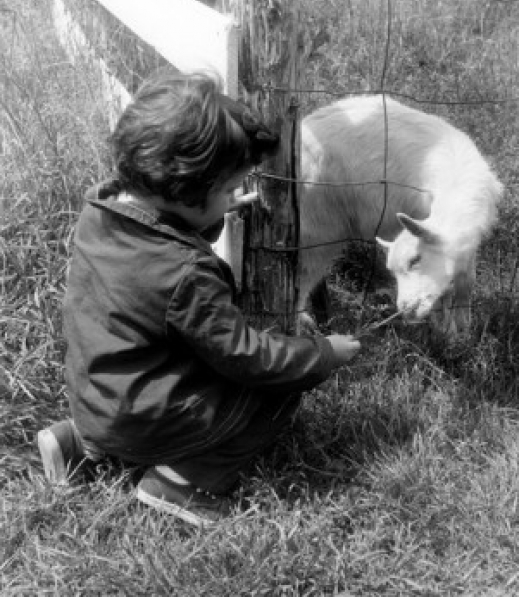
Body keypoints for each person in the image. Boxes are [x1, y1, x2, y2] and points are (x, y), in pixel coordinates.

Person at [37, 68, 361, 528]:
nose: (233, 197)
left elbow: (170, 227)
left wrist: (213, 209)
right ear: (187, 193)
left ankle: (77, 446)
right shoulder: (186, 275)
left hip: (93, 399)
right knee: (276, 393)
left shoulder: (99, 212)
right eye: (228, 190)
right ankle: (182, 483)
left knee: (141, 372)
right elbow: (247, 358)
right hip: (144, 420)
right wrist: (321, 354)